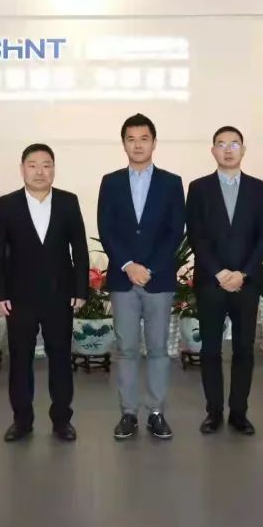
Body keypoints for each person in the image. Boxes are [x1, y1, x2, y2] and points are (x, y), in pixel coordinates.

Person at [0, 144, 89, 443]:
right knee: (20, 361)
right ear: (23, 169)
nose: (40, 171)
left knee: (61, 359)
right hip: (19, 298)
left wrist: (80, 289)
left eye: (46, 165)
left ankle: (62, 420)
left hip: (60, 296)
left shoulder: (68, 202)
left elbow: (80, 249)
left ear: (53, 169)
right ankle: (22, 421)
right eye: (33, 165)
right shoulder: (8, 204)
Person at [97, 114, 186, 440]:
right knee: (127, 349)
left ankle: (157, 412)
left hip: (158, 280)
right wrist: (127, 265)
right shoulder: (111, 182)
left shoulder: (171, 182)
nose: (138, 145)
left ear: (154, 142)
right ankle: (129, 413)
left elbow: (175, 230)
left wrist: (150, 268)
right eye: (131, 139)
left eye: (144, 138)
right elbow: (106, 228)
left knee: (159, 349)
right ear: (123, 144)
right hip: (124, 280)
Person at [185, 126, 263, 435]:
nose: (228, 149)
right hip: (211, 282)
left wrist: (243, 272)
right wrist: (220, 273)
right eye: (221, 144)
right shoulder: (199, 188)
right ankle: (214, 412)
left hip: (246, 282)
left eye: (234, 144)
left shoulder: (259, 188)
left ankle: (239, 412)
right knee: (210, 349)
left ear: (243, 150)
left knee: (244, 349)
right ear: (213, 151)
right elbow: (196, 235)